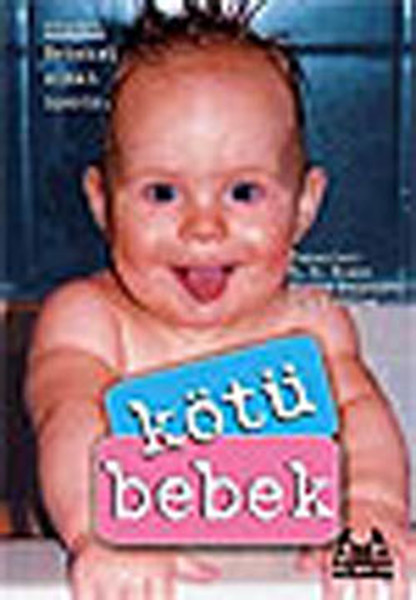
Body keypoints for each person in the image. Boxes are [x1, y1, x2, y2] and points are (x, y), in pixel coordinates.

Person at [26, 1, 415, 598]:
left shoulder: (312, 327)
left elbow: (362, 420)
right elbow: (68, 418)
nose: (203, 228)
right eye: (162, 193)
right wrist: (100, 528)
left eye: (243, 192)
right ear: (103, 203)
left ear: (303, 206)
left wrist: (370, 506)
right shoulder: (88, 320)